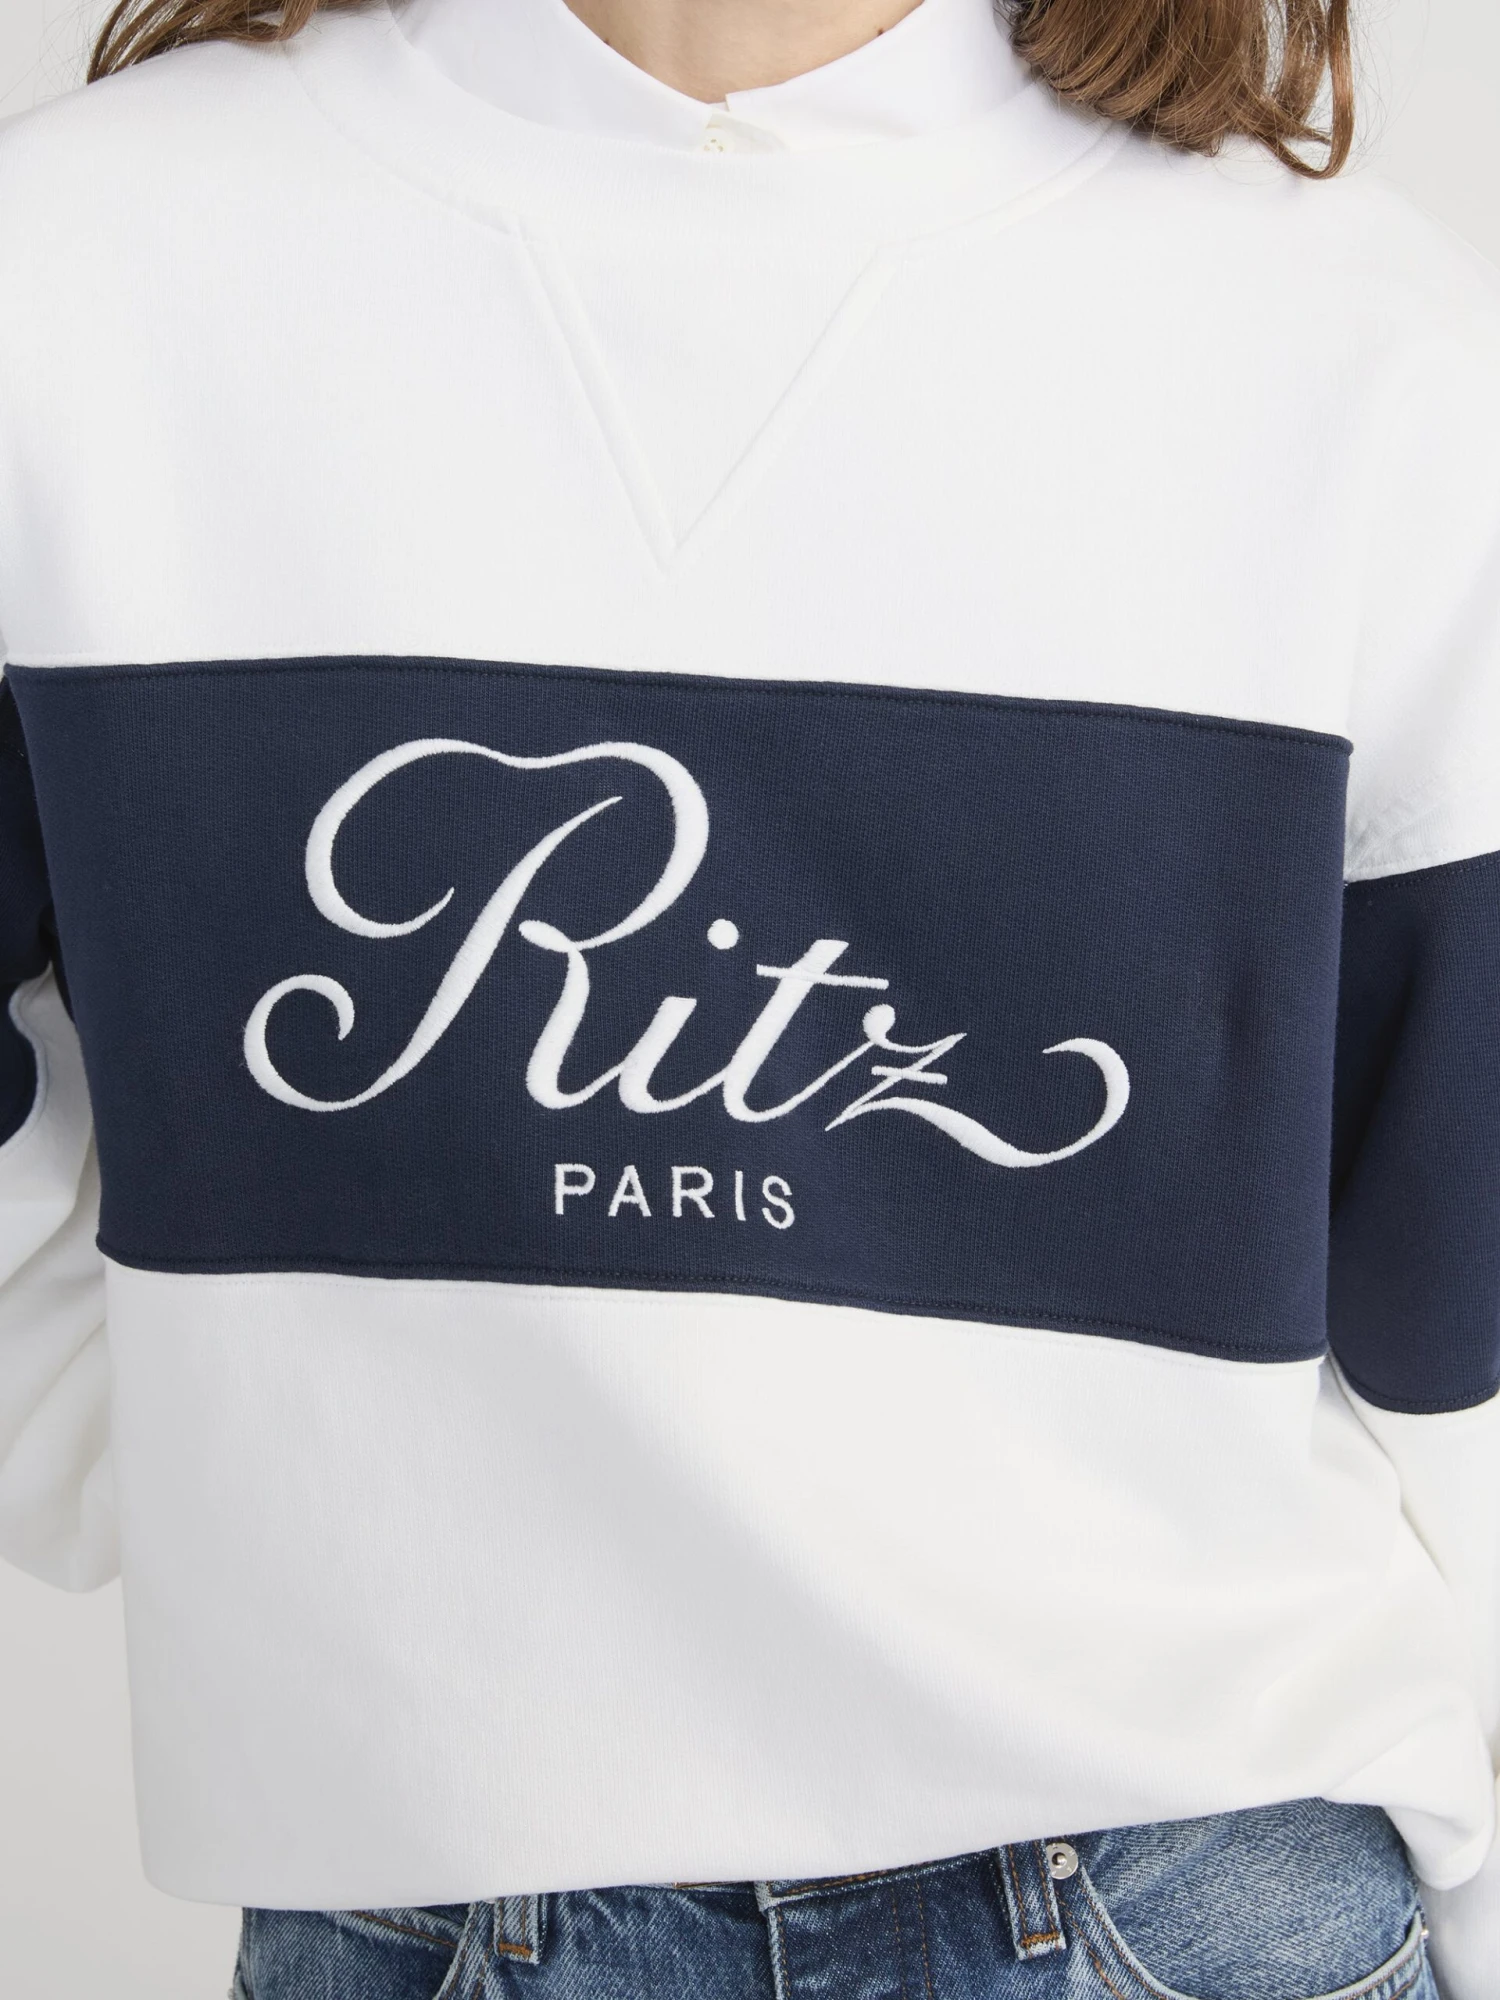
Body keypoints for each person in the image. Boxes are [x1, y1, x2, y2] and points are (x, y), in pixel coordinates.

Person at [0, 0, 1495, 1992]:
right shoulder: (79, 272)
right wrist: (222, 1447)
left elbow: (1458, 1297)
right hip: (439, 1907)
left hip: (1195, 1889)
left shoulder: (1357, 348)